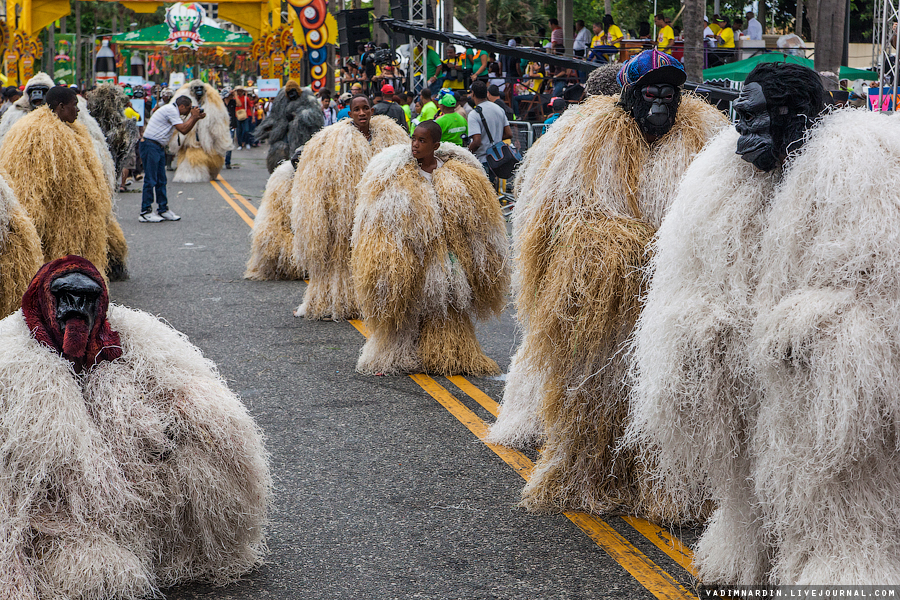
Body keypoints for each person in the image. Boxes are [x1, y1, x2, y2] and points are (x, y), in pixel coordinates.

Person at [629, 62, 900, 584]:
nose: (740, 132)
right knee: (751, 475)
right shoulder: (723, 176)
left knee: (835, 491)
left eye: (752, 117)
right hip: (753, 368)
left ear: (792, 116)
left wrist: (816, 325)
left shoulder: (861, 167)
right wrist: (703, 326)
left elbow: (875, 276)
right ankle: (750, 555)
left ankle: (840, 572)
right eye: (737, 115)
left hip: (817, 376)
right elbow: (700, 266)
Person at [486, 51, 726, 525]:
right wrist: (621, 251)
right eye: (652, 92)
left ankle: (671, 486)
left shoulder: (704, 138)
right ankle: (591, 476)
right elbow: (558, 220)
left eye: (670, 92)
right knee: (599, 393)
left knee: (669, 398)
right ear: (631, 94)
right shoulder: (585, 141)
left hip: (672, 301)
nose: (662, 102)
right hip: (607, 305)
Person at [0, 255, 271, 599]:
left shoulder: (129, 336)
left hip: (131, 496)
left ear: (102, 302)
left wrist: (178, 416)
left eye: (86, 300)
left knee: (201, 452)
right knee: (99, 577)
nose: (76, 310)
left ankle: (173, 548)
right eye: (66, 297)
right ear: (43, 299)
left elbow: (190, 385)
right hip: (55, 513)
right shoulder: (11, 354)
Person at [351, 121, 509, 376]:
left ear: (435, 146)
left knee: (444, 301)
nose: (415, 144)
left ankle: (444, 350)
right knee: (412, 301)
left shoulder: (453, 174)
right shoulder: (398, 173)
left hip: (445, 255)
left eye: (422, 141)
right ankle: (408, 348)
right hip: (412, 252)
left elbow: (472, 219)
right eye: (414, 138)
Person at [290, 96, 408, 320]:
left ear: (372, 110)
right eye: (357, 109)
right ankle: (335, 301)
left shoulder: (390, 135)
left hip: (377, 212)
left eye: (365, 108)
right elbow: (321, 178)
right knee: (341, 258)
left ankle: (374, 302)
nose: (362, 113)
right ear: (350, 113)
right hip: (344, 211)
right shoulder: (334, 140)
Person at [0, 86, 129, 280]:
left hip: (73, 223)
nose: (78, 110)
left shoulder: (72, 129)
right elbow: (32, 187)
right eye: (74, 105)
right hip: (58, 227)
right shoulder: (41, 134)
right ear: (61, 107)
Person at [139, 95, 204, 222]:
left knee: (161, 180)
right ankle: (145, 212)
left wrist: (195, 118)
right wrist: (194, 117)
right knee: (150, 180)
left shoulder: (172, 110)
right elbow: (183, 129)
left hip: (157, 146)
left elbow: (185, 127)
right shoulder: (171, 110)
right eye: (188, 108)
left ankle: (163, 210)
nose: (189, 111)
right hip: (150, 145)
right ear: (181, 106)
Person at [168, 80, 231, 183]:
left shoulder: (212, 101)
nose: (198, 91)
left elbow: (220, 118)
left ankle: (210, 171)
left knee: (213, 157)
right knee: (193, 155)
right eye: (196, 88)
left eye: (200, 88)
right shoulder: (183, 99)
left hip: (207, 137)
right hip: (190, 138)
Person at [253, 81, 324, 173]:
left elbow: (317, 116)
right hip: (285, 133)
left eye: (294, 93)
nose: (292, 96)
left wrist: (299, 115)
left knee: (301, 156)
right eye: (290, 94)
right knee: (279, 151)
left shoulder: (307, 96)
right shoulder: (282, 97)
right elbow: (275, 116)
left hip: (302, 133)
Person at [467, 80, 512, 174]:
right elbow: (509, 133)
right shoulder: (499, 109)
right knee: (494, 188)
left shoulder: (474, 114)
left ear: (473, 94)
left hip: (482, 161)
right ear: (486, 93)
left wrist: (467, 153)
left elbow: (477, 142)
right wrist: (497, 137)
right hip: (498, 160)